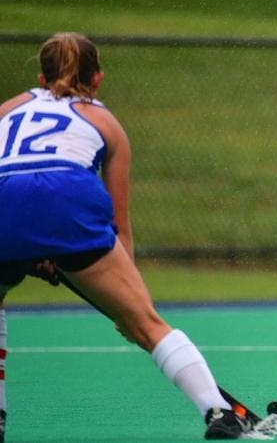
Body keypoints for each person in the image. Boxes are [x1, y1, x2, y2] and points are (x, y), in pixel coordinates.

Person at [0, 33, 253, 440]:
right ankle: (219, 412)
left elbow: (21, 186)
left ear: (40, 78)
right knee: (148, 325)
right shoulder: (105, 123)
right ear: (97, 79)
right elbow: (118, 221)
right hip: (69, 202)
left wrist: (29, 248)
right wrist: (129, 301)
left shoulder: (7, 109)